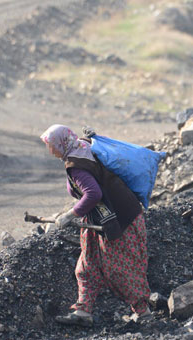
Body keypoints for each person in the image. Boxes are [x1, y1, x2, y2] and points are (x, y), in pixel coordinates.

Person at [40, 124, 152, 327]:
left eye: (51, 146)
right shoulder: (83, 146)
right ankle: (83, 311)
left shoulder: (76, 166)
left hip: (118, 218)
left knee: (121, 268)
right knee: (86, 265)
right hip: (99, 217)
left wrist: (70, 215)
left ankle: (144, 313)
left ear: (61, 143)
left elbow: (93, 194)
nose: (50, 151)